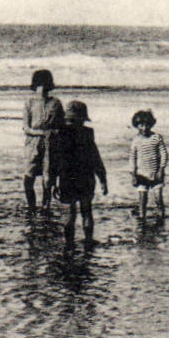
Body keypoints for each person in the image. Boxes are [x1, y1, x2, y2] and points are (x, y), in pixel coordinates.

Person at [49, 100, 109, 247]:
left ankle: (69, 244)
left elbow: (53, 161)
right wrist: (102, 179)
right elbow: (96, 158)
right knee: (86, 210)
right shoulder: (88, 134)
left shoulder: (59, 134)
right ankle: (88, 241)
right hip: (86, 177)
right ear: (83, 119)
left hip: (66, 178)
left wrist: (51, 182)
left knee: (69, 212)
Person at [23, 68, 65, 210]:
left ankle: (46, 206)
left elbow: (62, 126)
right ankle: (31, 206)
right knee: (29, 177)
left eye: (45, 85)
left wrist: (55, 133)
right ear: (35, 86)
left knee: (48, 179)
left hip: (51, 144)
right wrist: (40, 133)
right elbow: (26, 128)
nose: (42, 89)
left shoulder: (56, 103)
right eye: (39, 85)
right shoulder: (29, 103)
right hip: (33, 144)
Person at [129, 109, 169, 226]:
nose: (144, 128)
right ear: (136, 126)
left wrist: (161, 169)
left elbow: (164, 154)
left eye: (147, 125)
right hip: (141, 174)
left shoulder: (157, 137)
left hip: (156, 173)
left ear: (151, 124)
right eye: (141, 125)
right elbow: (132, 158)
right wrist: (133, 174)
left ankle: (161, 219)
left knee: (158, 198)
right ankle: (142, 218)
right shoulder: (136, 140)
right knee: (142, 198)